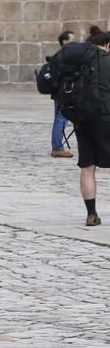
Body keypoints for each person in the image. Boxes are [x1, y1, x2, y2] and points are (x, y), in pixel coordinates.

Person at [73, 32, 110, 226]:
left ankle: (91, 213)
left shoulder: (78, 63)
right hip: (106, 119)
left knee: (87, 167)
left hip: (82, 121)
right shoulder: (108, 62)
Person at [50, 31, 77, 159]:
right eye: (72, 40)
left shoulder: (60, 55)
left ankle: (57, 146)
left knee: (61, 118)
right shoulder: (64, 56)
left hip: (60, 92)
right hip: (63, 92)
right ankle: (57, 148)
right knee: (61, 118)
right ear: (65, 41)